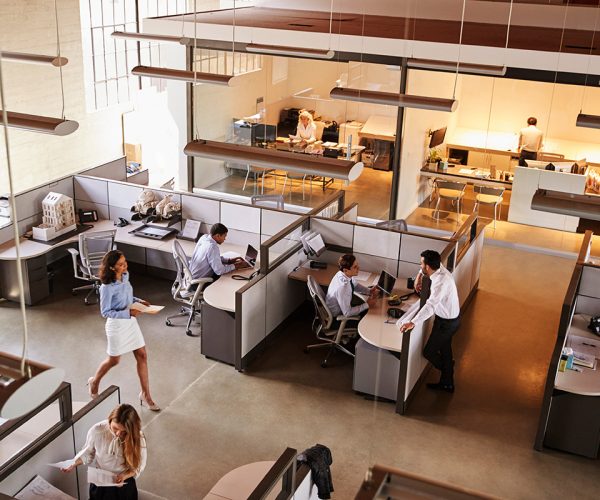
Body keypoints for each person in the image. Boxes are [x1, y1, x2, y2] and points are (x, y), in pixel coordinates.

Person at [87, 250, 159, 411]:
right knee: (114, 360)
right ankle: (95, 381)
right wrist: (128, 313)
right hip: (117, 325)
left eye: (125, 261)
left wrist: (140, 301)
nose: (125, 265)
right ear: (112, 268)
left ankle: (145, 395)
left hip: (130, 323)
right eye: (121, 264)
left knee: (142, 355)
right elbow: (105, 312)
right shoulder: (106, 288)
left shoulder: (125, 276)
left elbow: (127, 298)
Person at [398, 250, 460, 393]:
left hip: (447, 323)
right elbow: (424, 269)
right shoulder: (439, 269)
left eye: (421, 264)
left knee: (429, 352)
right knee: (445, 351)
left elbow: (431, 306)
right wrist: (419, 276)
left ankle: (448, 371)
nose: (420, 265)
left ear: (427, 266)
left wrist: (413, 322)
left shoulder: (440, 283)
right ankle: (447, 383)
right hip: (448, 320)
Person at [61, 404, 146, 500]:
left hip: (124, 483)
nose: (118, 434)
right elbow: (88, 453)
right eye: (115, 428)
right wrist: (73, 463)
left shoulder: (138, 438)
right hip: (100, 481)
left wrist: (124, 476)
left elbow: (138, 466)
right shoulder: (97, 431)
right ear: (110, 421)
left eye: (124, 432)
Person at [325, 254, 378, 322]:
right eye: (355, 267)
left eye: (357, 265)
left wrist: (369, 291)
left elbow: (354, 285)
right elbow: (347, 313)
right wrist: (367, 304)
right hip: (338, 318)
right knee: (369, 317)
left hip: (343, 307)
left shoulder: (342, 273)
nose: (358, 268)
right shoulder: (343, 287)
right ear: (346, 270)